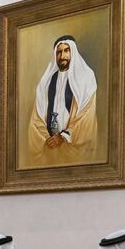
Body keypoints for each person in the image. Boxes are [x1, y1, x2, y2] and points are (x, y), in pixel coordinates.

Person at [28, 35, 98, 166]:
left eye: (66, 50)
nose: (62, 56)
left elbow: (86, 116)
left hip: (73, 146)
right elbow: (37, 116)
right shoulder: (47, 81)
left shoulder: (86, 78)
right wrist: (47, 138)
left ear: (73, 52)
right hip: (50, 146)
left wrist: (64, 137)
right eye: (59, 52)